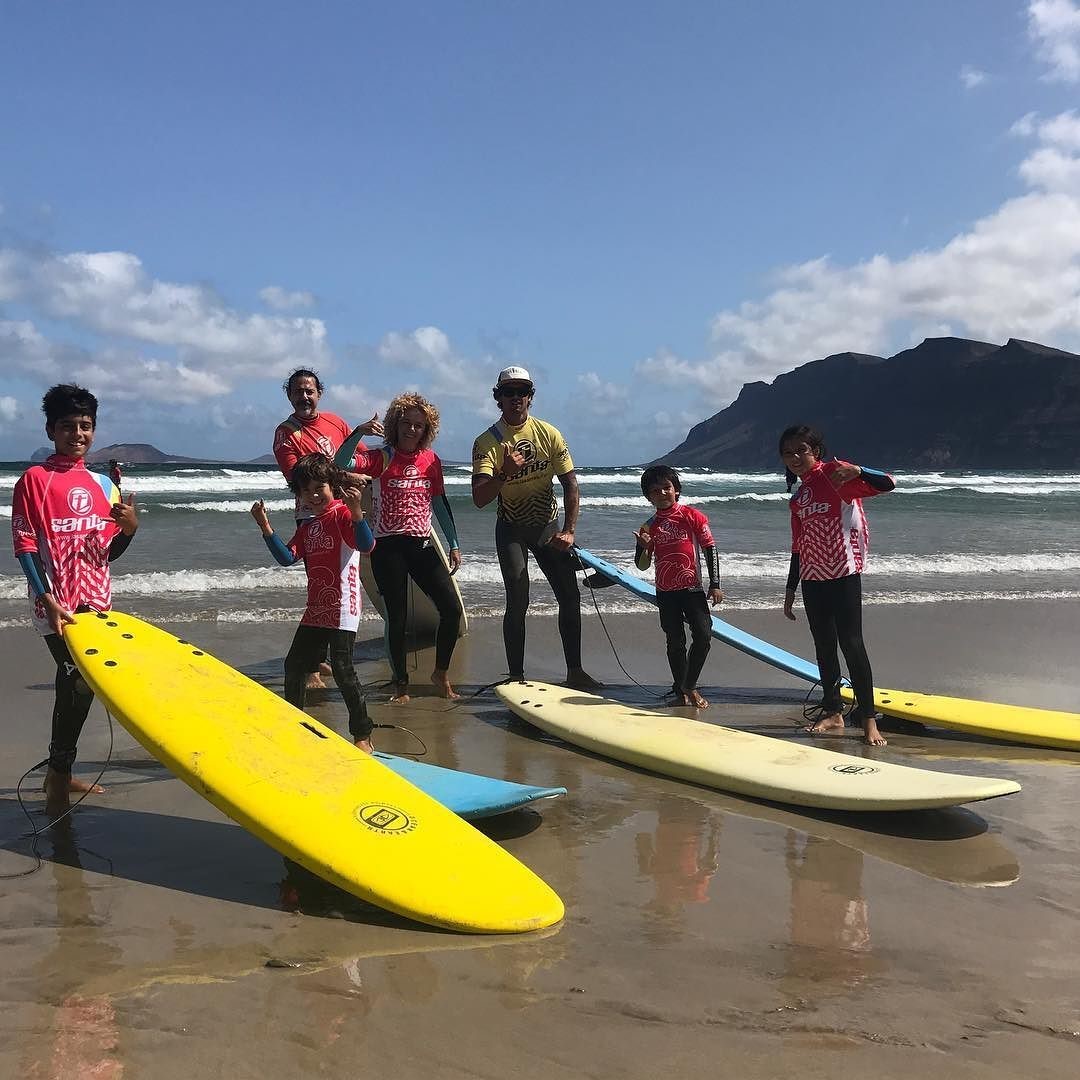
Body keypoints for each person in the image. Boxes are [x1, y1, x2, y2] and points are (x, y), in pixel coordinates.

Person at [10, 384, 139, 815]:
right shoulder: (34, 480)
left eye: (85, 426)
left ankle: (59, 772)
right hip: (54, 605)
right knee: (76, 682)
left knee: (80, 688)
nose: (77, 434)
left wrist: (130, 529)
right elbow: (25, 545)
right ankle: (59, 776)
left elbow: (107, 552)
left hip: (96, 603)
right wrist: (45, 596)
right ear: (51, 430)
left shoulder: (104, 484)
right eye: (68, 426)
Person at [471, 366, 599, 688]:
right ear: (497, 398)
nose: (516, 398)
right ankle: (516, 676)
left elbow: (570, 484)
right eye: (509, 392)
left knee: (569, 596)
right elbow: (479, 498)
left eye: (522, 391)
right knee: (518, 599)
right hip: (511, 528)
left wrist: (569, 530)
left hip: (546, 526)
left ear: (531, 396)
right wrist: (504, 472)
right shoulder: (487, 442)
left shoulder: (549, 434)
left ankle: (575, 671)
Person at [250, 454, 376, 751]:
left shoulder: (342, 515)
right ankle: (296, 727)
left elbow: (367, 545)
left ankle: (363, 736)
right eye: (306, 491)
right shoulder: (309, 525)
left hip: (343, 605)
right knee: (294, 665)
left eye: (320, 487)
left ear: (333, 486)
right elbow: (287, 557)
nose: (314, 495)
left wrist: (357, 513)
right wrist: (265, 527)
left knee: (344, 670)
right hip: (316, 608)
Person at [779, 424, 895, 747]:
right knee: (824, 646)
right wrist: (790, 589)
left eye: (801, 450)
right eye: (788, 453)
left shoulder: (836, 475)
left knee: (852, 644)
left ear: (815, 451)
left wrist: (858, 470)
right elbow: (797, 546)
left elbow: (888, 484)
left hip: (843, 573)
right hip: (813, 579)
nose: (795, 457)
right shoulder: (799, 497)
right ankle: (834, 711)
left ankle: (869, 720)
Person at [272, 368, 382, 689]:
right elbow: (298, 479)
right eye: (297, 392)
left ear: (319, 393)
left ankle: (323, 656)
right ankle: (312, 669)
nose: (304, 397)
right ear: (289, 396)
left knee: (343, 582)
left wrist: (389, 461)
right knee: (321, 587)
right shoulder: (286, 434)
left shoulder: (335, 421)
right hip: (311, 517)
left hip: (344, 512)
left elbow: (358, 459)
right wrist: (347, 479)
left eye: (310, 391)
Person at [351, 392, 462, 702]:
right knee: (397, 619)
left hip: (422, 544)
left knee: (451, 610)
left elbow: (440, 503)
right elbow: (342, 461)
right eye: (406, 423)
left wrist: (453, 543)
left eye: (418, 425)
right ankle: (401, 684)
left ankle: (440, 673)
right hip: (387, 547)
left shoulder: (431, 460)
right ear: (395, 424)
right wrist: (358, 432)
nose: (412, 430)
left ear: (426, 429)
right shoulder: (381, 457)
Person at [633, 465, 724, 708]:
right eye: (655, 490)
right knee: (675, 641)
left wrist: (715, 584)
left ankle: (689, 685)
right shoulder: (648, 526)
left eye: (667, 488)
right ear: (648, 496)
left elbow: (709, 549)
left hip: (692, 589)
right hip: (666, 592)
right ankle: (681, 688)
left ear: (677, 490)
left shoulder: (692, 516)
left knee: (704, 636)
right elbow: (642, 566)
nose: (662, 493)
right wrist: (643, 547)